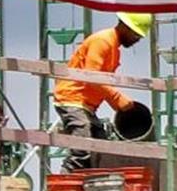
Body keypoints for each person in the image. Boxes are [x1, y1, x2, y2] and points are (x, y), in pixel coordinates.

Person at [52, 12, 152, 172]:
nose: (137, 39)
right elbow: (91, 76)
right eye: (136, 34)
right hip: (72, 99)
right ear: (125, 26)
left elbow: (100, 82)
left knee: (102, 150)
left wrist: (117, 103)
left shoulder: (113, 48)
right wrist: (117, 98)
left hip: (85, 105)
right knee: (82, 151)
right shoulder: (103, 41)